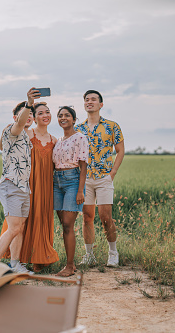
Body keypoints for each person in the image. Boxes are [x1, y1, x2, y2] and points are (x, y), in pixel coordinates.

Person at [0, 101, 59, 273]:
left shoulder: (54, 140)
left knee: (38, 218)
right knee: (19, 224)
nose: (43, 115)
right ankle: (12, 261)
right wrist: (29, 103)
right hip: (26, 183)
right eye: (39, 113)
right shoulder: (25, 133)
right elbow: (7, 141)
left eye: (46, 112)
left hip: (45, 185)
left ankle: (38, 258)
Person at [0, 88, 40, 273]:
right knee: (13, 228)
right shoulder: (12, 131)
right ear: (15, 117)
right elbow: (21, 122)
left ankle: (15, 264)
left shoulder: (26, 138)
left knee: (19, 228)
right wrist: (29, 103)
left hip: (23, 188)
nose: (28, 117)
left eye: (31, 115)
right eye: (24, 114)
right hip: (10, 185)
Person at [74, 90, 125, 267]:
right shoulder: (78, 129)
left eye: (93, 99)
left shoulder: (112, 126)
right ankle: (89, 255)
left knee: (105, 216)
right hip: (85, 179)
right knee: (87, 217)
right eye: (87, 100)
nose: (90, 102)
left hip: (104, 178)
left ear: (100, 104)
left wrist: (113, 173)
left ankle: (113, 252)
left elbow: (120, 150)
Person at [52, 106, 88, 277]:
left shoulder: (80, 137)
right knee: (64, 225)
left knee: (68, 224)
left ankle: (69, 265)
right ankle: (70, 264)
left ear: (74, 120)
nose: (63, 118)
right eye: (60, 116)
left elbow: (83, 166)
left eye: (67, 115)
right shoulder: (58, 140)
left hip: (72, 181)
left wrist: (80, 190)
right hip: (56, 182)